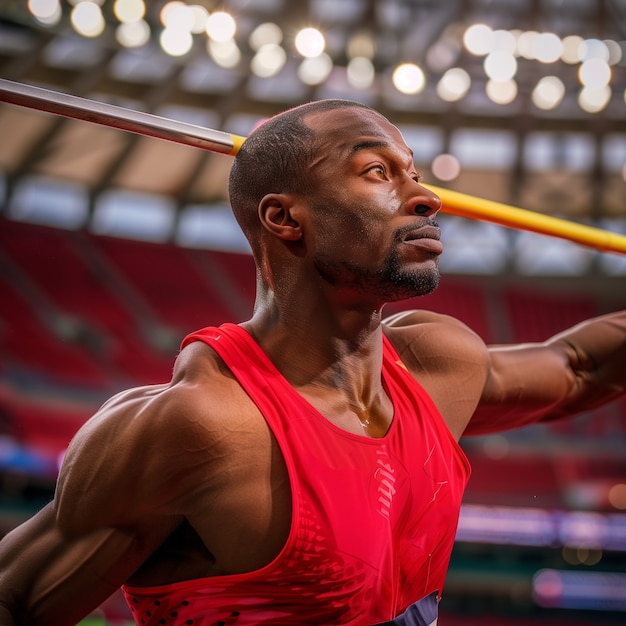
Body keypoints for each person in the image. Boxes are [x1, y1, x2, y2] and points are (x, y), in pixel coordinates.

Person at [0, 99, 624, 626]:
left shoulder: (437, 365)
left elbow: (578, 369)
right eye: (380, 172)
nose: (427, 198)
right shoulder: (199, 425)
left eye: (415, 174)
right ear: (284, 218)